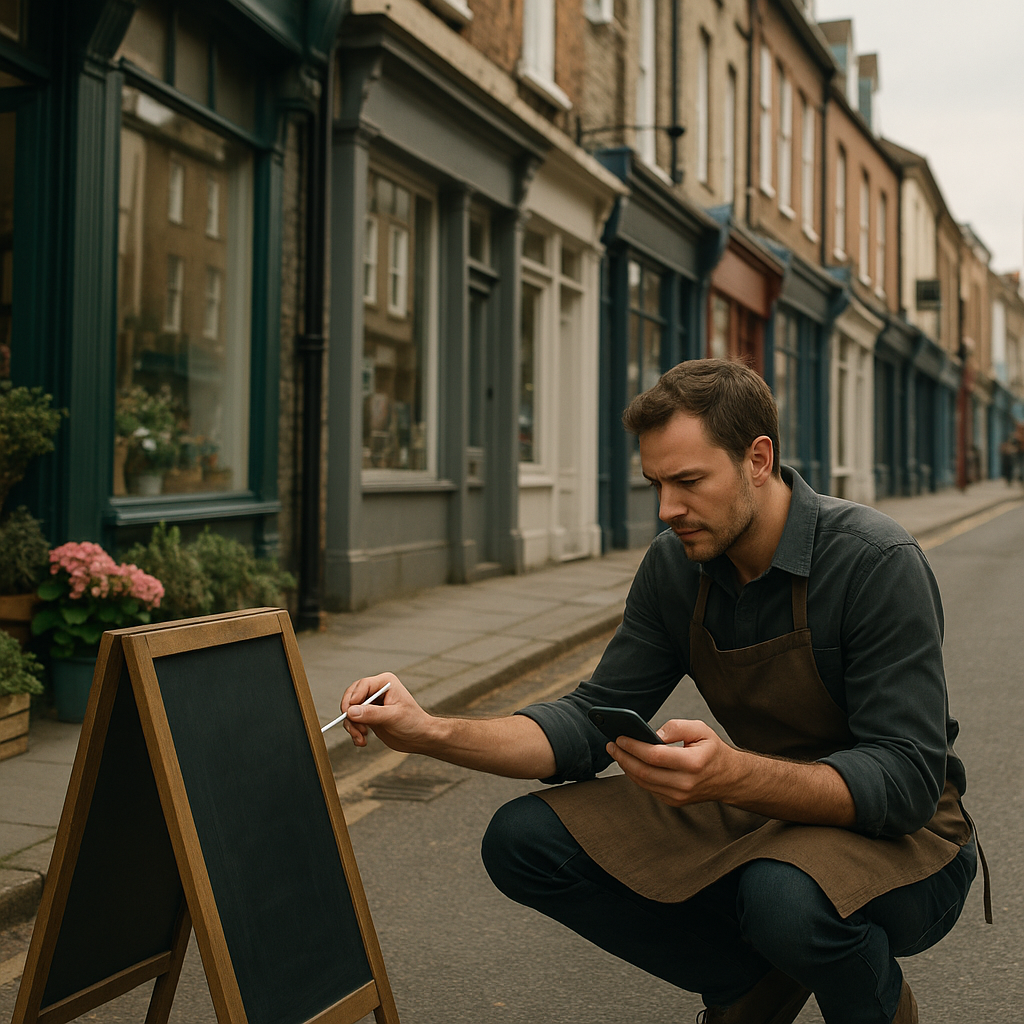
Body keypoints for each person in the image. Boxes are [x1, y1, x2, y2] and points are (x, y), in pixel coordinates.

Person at [338, 359, 984, 1024]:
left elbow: (904, 783)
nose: (667, 508)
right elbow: (587, 723)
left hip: (911, 840)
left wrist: (730, 775)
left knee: (781, 898)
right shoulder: (677, 566)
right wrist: (430, 730)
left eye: (688, 481)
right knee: (522, 839)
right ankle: (747, 979)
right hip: (767, 812)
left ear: (758, 460)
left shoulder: (875, 561)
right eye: (656, 484)